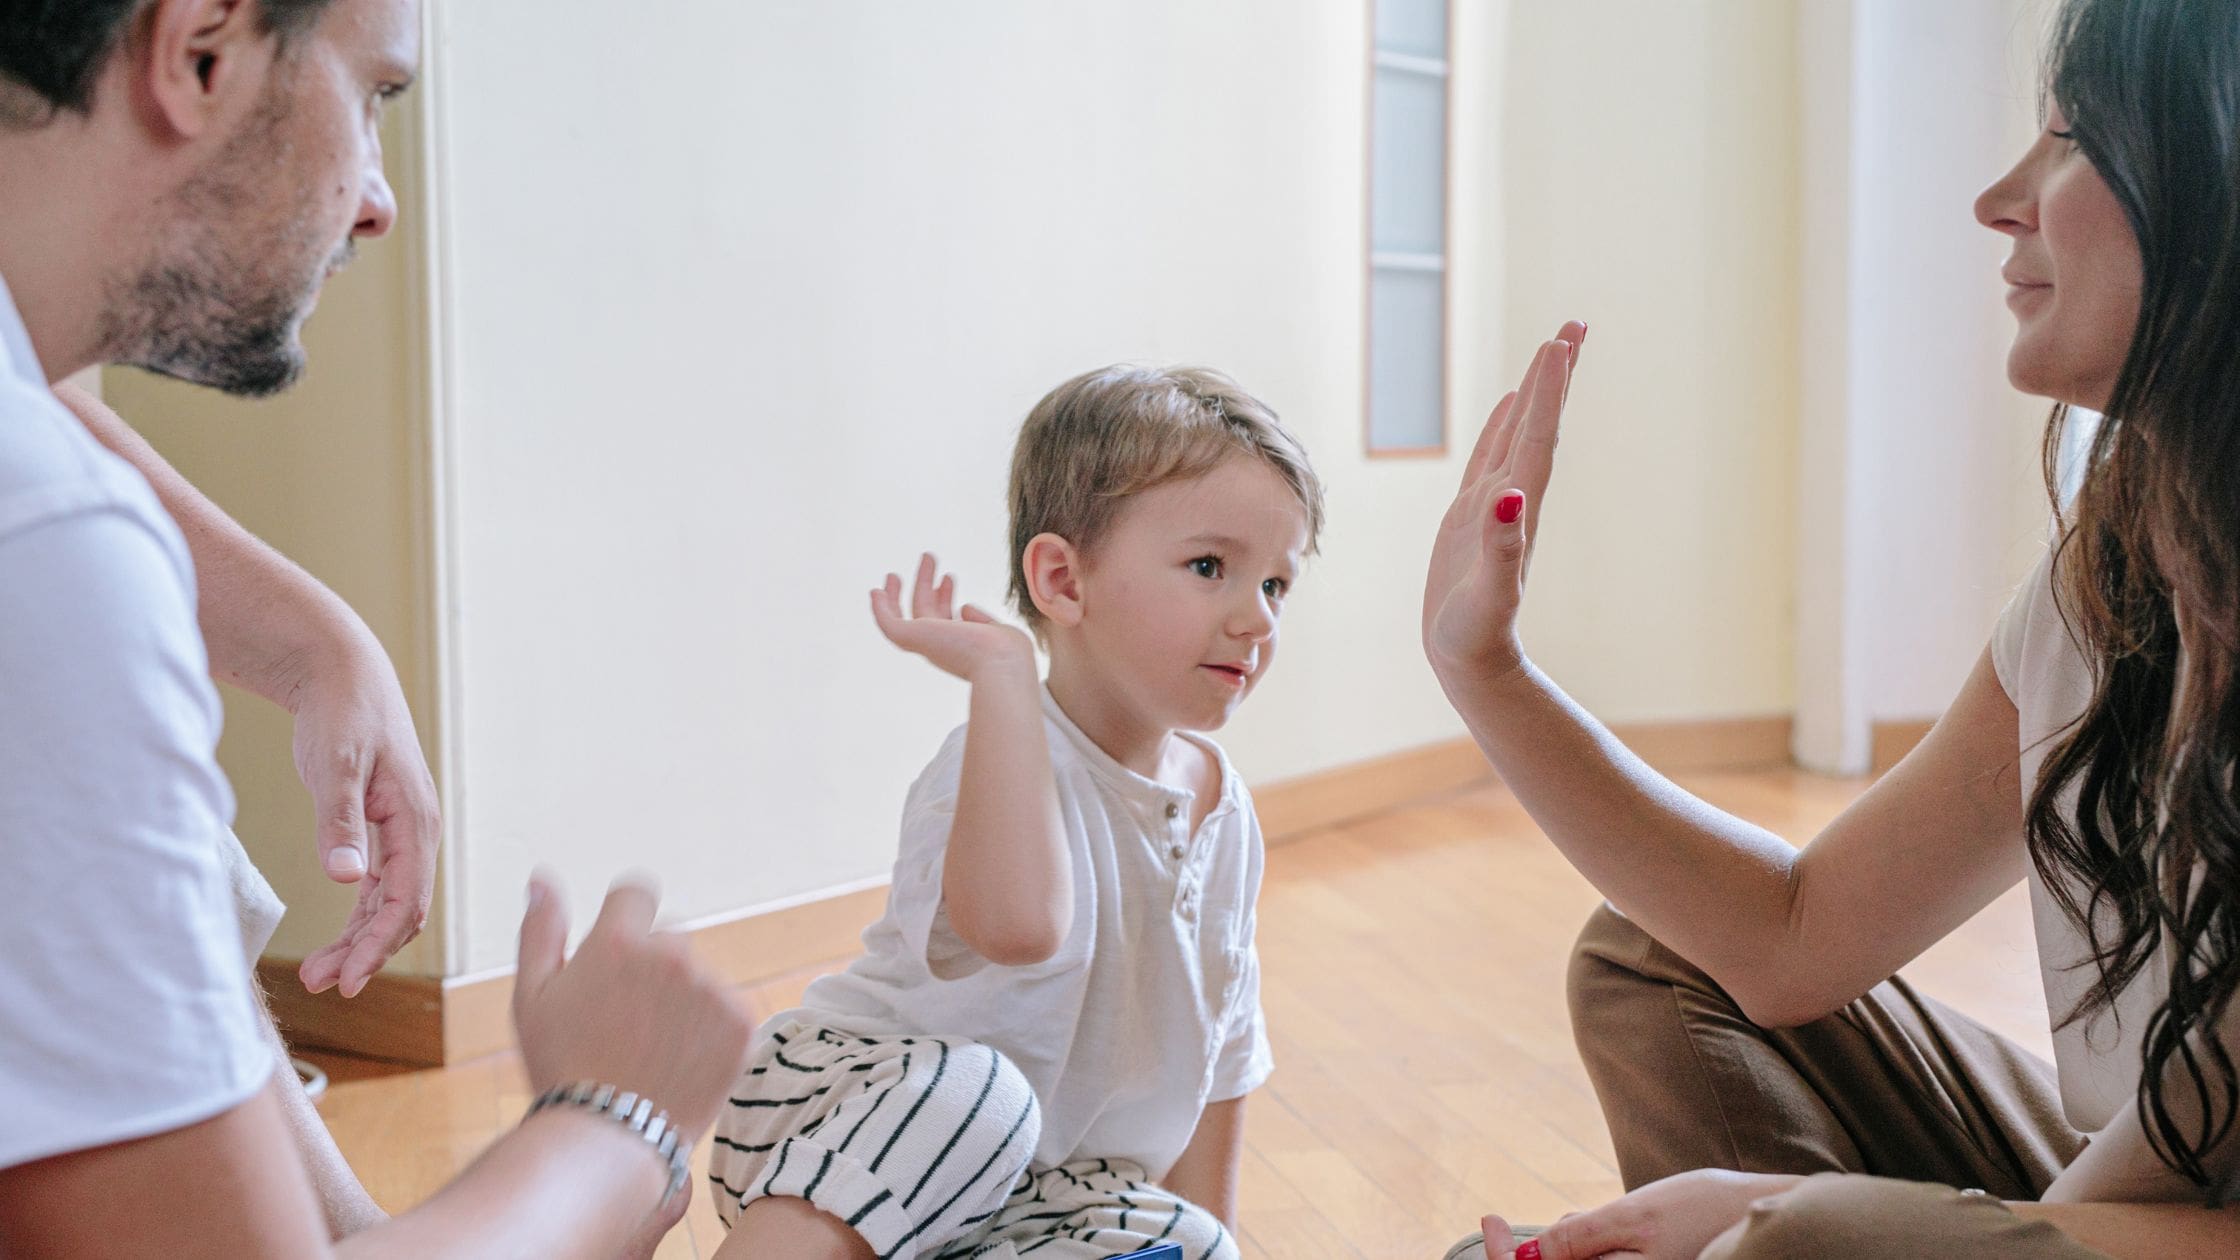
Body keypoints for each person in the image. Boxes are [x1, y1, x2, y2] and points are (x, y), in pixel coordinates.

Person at [1424, 0, 2240, 1257]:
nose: (1998, 199)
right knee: (1657, 959)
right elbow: (1790, 938)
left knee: (1807, 1240)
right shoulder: (2116, 561)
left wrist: (1786, 1227)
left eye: (2072, 139)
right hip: (2142, 1176)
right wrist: (1484, 668)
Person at [0, 2, 753, 1255]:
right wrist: (614, 1122)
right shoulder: (50, 555)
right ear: (201, 51)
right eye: (373, 97)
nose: (375, 203)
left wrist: (312, 641)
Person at [707, 365, 1322, 1259]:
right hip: (851, 1123)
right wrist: (1000, 676)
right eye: (1209, 567)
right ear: (1062, 582)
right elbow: (1021, 926)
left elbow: (1224, 1052)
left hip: (1036, 1190)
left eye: (1275, 585)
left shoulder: (1224, 810)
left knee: (1193, 1247)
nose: (1257, 619)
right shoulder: (997, 757)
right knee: (982, 1102)